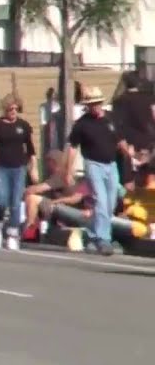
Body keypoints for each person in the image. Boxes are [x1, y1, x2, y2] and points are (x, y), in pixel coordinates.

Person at [68, 86, 124, 256]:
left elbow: (120, 141)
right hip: (93, 164)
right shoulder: (82, 124)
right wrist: (68, 169)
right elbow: (72, 147)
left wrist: (131, 156)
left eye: (98, 103)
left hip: (111, 165)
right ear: (87, 105)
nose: (96, 106)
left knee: (110, 202)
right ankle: (103, 238)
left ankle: (93, 235)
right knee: (100, 200)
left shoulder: (111, 119)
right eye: (92, 104)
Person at [0, 94, 36, 251]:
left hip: (19, 168)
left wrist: (33, 167)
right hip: (1, 167)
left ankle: (13, 234)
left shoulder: (23, 126)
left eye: (16, 109)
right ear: (5, 109)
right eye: (10, 109)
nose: (13, 111)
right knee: (1, 200)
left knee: (16, 202)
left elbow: (30, 149)